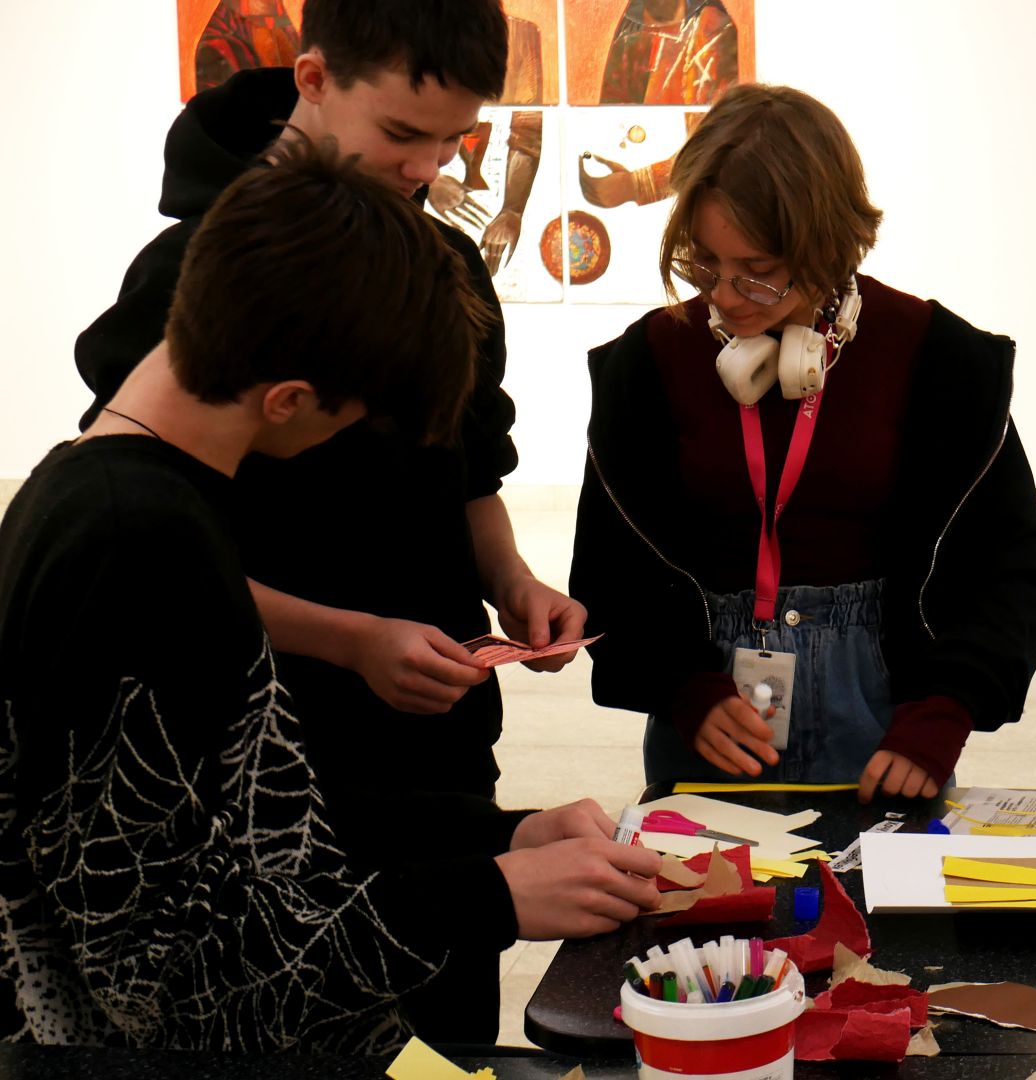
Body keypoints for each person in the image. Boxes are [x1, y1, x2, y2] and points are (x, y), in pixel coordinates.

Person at [0, 135, 661, 1052]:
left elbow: (261, 813)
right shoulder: (133, 543)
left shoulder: (97, 492)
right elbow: (169, 979)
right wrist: (488, 895)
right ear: (288, 399)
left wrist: (500, 836)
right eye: (353, 420)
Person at [571, 84, 1036, 803]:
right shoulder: (647, 364)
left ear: (828, 244)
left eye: (759, 273)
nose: (724, 296)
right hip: (712, 724)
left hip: (890, 727)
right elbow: (612, 569)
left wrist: (946, 709)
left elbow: (1009, 567)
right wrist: (682, 687)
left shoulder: (938, 360)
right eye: (705, 263)